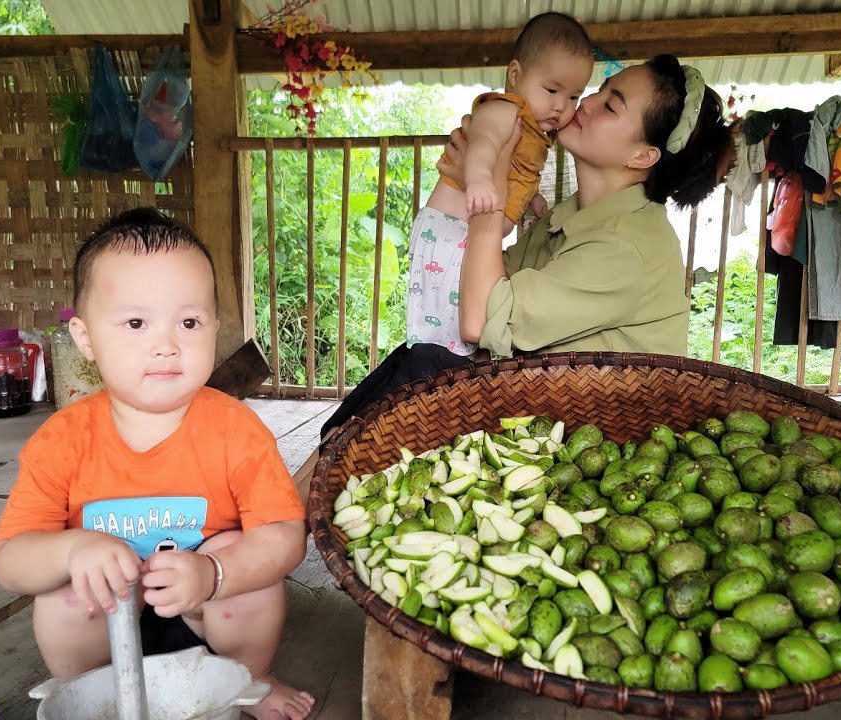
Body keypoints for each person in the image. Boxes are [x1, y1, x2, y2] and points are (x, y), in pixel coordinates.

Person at [308, 55, 733, 467]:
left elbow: (478, 320)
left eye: (611, 105)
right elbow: (482, 286)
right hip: (541, 398)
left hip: (596, 447)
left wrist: (488, 203)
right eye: (599, 91)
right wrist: (465, 184)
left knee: (425, 369)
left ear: (643, 156)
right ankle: (304, 488)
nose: (585, 103)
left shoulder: (627, 245)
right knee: (417, 358)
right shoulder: (569, 217)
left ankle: (301, 497)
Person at [0, 209, 316, 720]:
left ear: (214, 326)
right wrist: (73, 549)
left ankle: (250, 676)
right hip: (106, 622)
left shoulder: (236, 429)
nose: (166, 345)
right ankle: (90, 691)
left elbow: (284, 537)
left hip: (204, 608)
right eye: (136, 323)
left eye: (189, 322)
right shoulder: (61, 440)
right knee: (61, 591)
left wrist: (213, 572)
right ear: (86, 339)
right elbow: (11, 561)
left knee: (243, 559)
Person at [405, 12, 593, 357]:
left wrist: (530, 200)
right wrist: (476, 177)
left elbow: (514, 172)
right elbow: (484, 142)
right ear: (516, 75)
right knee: (442, 330)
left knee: (455, 321)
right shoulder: (506, 109)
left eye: (573, 98)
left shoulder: (535, 131)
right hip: (450, 230)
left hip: (465, 232)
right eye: (552, 89)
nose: (560, 106)